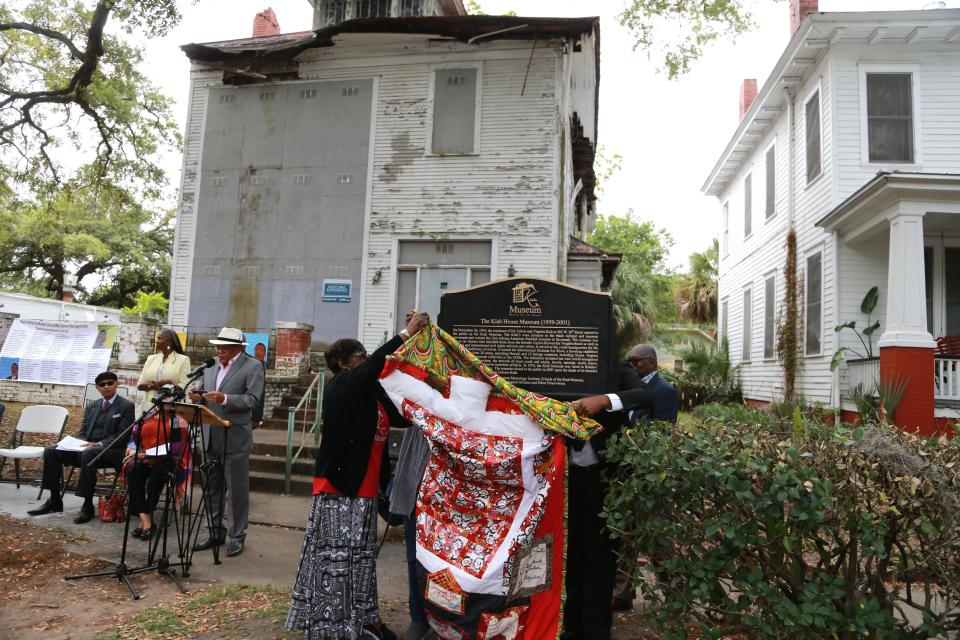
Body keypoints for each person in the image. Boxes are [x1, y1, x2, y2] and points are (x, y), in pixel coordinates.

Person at [286, 312, 429, 640]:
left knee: (362, 560)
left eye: (365, 355)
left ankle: (365, 619)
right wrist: (404, 334)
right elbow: (374, 366)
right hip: (339, 489)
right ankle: (331, 624)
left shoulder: (369, 396)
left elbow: (402, 416)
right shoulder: (342, 386)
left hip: (363, 492)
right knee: (336, 561)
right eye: (360, 356)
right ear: (342, 362)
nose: (364, 359)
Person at [575, 344, 680, 613]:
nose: (632, 365)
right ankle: (622, 594)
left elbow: (663, 431)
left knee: (656, 537)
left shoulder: (664, 390)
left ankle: (674, 593)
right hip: (622, 472)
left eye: (638, 361)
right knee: (625, 534)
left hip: (648, 473)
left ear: (652, 362)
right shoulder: (621, 386)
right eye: (629, 360)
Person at [189, 327, 265, 558]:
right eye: (218, 346)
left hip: (235, 437)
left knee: (237, 490)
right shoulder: (211, 366)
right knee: (212, 488)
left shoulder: (253, 367)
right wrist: (199, 396)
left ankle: (237, 536)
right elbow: (208, 395)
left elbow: (252, 400)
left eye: (224, 347)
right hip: (210, 435)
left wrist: (224, 399)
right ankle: (214, 531)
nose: (219, 350)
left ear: (238, 349)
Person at [28, 371, 136, 523]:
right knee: (51, 451)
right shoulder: (92, 406)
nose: (106, 387)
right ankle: (54, 500)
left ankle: (87, 505)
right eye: (102, 385)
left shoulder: (126, 406)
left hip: (112, 450)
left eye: (110, 383)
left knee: (89, 453)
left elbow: (123, 435)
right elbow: (83, 432)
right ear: (97, 388)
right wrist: (72, 443)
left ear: (116, 384)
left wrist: (99, 444)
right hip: (87, 449)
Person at [124, 410, 190, 541]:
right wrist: (136, 452)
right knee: (133, 471)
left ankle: (146, 518)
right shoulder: (146, 416)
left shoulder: (176, 420)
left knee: (158, 474)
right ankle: (145, 518)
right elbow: (133, 440)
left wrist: (157, 457)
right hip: (144, 457)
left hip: (167, 459)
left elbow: (177, 447)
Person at [136, 329, 192, 415]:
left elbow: (183, 387)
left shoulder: (183, 360)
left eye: (159, 338)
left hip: (169, 409)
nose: (156, 341)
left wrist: (160, 387)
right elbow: (140, 385)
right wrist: (157, 384)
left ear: (169, 343)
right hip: (147, 408)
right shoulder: (151, 359)